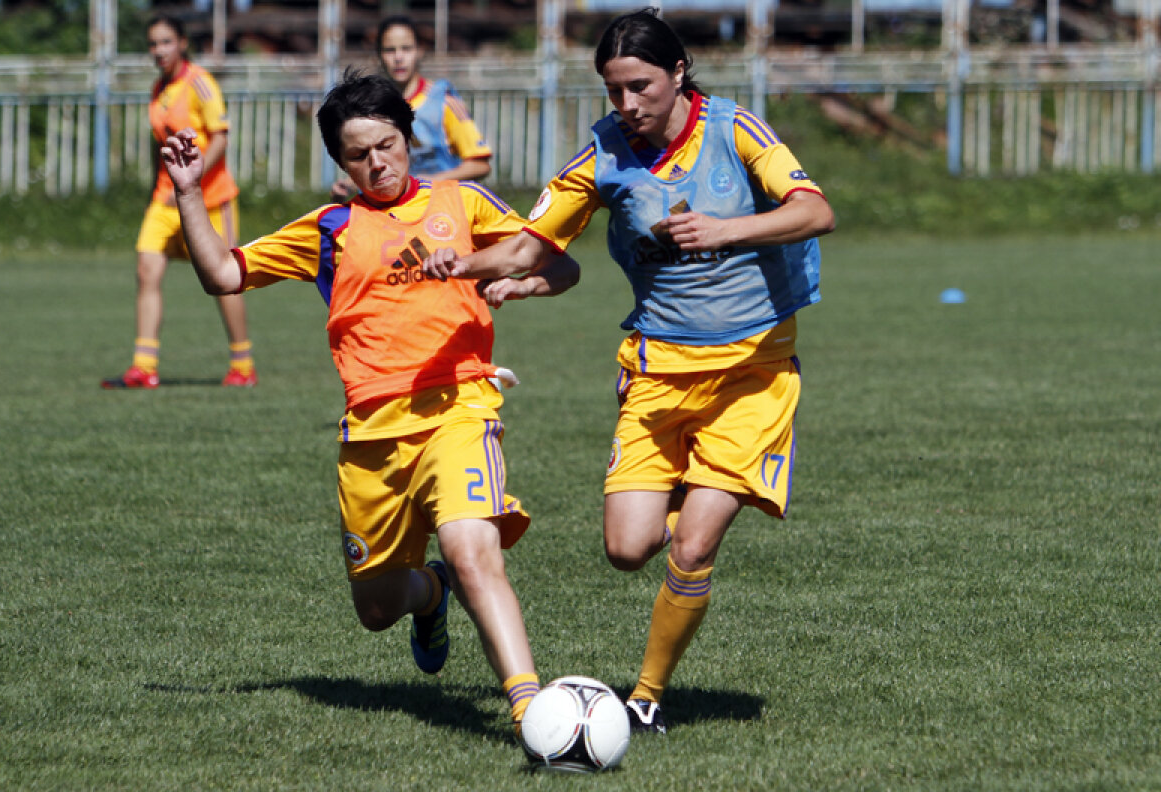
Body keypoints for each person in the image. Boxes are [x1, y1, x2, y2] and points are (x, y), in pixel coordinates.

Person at [421, 7, 835, 734]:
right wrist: (467, 264)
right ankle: (693, 490)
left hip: (751, 374)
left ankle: (645, 696)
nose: (627, 106)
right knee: (625, 549)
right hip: (655, 372)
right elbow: (528, 246)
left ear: (679, 73)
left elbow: (815, 209)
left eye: (640, 86)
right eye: (613, 91)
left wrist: (725, 230)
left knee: (694, 543)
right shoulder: (604, 154)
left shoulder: (735, 130)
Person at [159, 69, 579, 738]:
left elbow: (559, 263)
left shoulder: (463, 203)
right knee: (378, 609)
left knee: (473, 550)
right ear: (339, 161)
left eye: (386, 144)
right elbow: (223, 274)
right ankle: (429, 594)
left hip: (459, 407)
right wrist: (187, 194)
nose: (376, 163)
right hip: (372, 436)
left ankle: (532, 710)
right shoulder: (330, 227)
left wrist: (520, 285)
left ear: (408, 137)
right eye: (358, 154)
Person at [102, 14, 256, 390]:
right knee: (146, 271)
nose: (159, 51)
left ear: (183, 43)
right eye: (153, 44)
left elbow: (220, 138)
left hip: (210, 199)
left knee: (226, 278)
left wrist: (192, 181)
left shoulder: (200, 83)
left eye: (166, 42)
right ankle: (144, 366)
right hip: (164, 198)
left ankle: (243, 365)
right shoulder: (159, 88)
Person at [329, 15, 492, 201]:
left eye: (406, 49)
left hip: (444, 209)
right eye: (390, 50)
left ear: (420, 51)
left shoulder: (442, 101)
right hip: (396, 213)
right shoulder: (371, 108)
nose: (398, 57)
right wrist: (349, 185)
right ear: (379, 55)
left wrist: (429, 183)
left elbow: (480, 165)